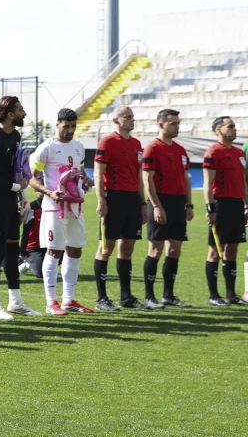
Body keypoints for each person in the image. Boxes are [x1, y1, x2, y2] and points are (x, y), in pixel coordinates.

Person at [28, 108, 94, 316]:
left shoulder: (78, 146)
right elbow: (32, 178)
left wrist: (86, 179)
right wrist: (49, 192)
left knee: (75, 250)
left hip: (76, 206)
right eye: (66, 126)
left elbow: (79, 170)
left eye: (73, 126)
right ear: (57, 125)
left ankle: (68, 300)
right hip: (54, 207)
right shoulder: (46, 148)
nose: (70, 131)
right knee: (54, 251)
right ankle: (51, 302)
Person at [0, 95, 39, 320]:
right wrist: (15, 186)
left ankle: (15, 302)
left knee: (13, 250)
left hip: (11, 201)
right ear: (10, 114)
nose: (24, 113)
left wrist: (21, 194)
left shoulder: (14, 135)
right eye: (21, 110)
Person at [93, 105, 148, 310]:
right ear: (116, 120)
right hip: (113, 198)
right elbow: (98, 174)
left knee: (127, 248)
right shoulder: (107, 142)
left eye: (132, 116)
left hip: (132, 200)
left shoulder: (136, 143)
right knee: (106, 248)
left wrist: (143, 203)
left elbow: (138, 177)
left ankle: (126, 298)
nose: (132, 119)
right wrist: (101, 200)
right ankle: (102, 299)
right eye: (127, 116)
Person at [141, 108, 193, 308]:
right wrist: (156, 206)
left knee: (175, 249)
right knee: (155, 248)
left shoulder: (180, 150)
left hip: (178, 203)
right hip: (160, 201)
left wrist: (188, 204)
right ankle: (149, 296)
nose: (177, 126)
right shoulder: (153, 148)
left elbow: (185, 178)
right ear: (161, 124)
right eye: (173, 123)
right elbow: (147, 179)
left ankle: (168, 295)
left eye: (178, 123)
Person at [202, 116, 248, 306]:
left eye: (234, 126)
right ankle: (214, 295)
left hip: (237, 205)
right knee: (215, 250)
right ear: (218, 131)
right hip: (221, 204)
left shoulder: (239, 152)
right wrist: (210, 208)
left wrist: (246, 205)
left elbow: (243, 182)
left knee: (233, 249)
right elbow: (207, 183)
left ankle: (231, 295)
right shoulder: (213, 152)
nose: (234, 129)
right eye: (230, 126)